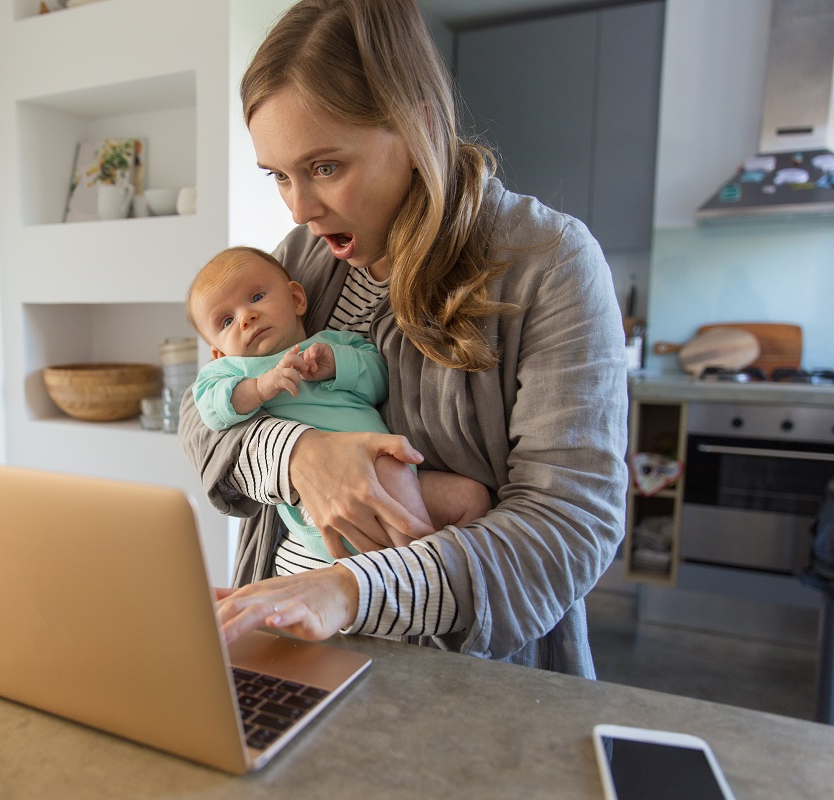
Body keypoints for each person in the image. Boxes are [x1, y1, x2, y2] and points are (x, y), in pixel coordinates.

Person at [178, 0, 628, 677]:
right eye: (278, 175)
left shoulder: (551, 262)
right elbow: (201, 412)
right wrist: (301, 454)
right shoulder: (299, 259)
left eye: (325, 167)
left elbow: (568, 528)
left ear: (417, 123)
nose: (299, 207)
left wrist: (351, 590)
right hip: (290, 650)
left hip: (465, 683)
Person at [186, 245, 490, 563]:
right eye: (226, 322)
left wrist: (337, 365)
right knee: (388, 466)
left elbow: (380, 382)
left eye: (257, 297)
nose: (246, 317)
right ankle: (415, 567)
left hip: (403, 477)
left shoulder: (334, 343)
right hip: (325, 506)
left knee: (471, 498)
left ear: (296, 299)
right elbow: (211, 409)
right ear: (218, 353)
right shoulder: (231, 371)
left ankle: (445, 570)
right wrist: (261, 387)